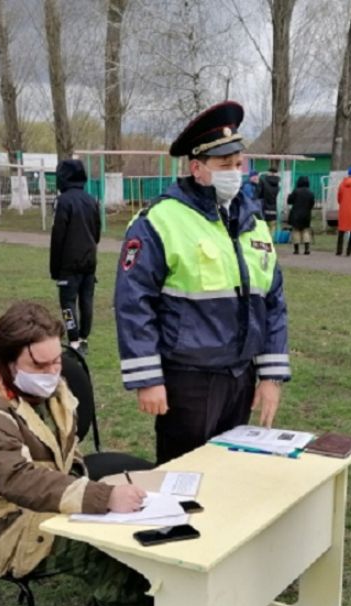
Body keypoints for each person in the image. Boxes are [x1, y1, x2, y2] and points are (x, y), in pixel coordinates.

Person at [0, 301, 251, 606]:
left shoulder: (35, 387)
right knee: (101, 552)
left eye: (56, 362)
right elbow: (18, 479)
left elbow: (63, 450)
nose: (53, 372)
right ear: (6, 359)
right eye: (40, 365)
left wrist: (95, 488)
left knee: (140, 529)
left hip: (37, 507)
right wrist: (100, 496)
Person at [114, 101, 291, 465]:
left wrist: (271, 376)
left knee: (228, 473)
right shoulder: (160, 220)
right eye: (224, 165)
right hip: (188, 381)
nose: (234, 172)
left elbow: (272, 300)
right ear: (197, 168)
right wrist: (147, 378)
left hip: (240, 376)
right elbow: (133, 302)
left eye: (238, 164)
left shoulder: (252, 220)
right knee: (183, 479)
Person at [49, 159, 101, 356]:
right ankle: (84, 336)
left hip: (69, 264)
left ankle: (74, 340)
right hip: (89, 261)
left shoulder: (63, 202)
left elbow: (58, 236)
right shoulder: (91, 200)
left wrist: (55, 268)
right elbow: (97, 231)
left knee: (68, 302)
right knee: (86, 300)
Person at [286, 175, 316, 255]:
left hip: (296, 214)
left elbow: (289, 201)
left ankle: (296, 250)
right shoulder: (310, 193)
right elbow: (312, 204)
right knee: (306, 231)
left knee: (296, 231)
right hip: (306, 214)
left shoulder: (295, 191)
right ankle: (306, 249)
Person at [259, 166, 281, 232]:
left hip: (264, 208)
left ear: (269, 173)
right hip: (274, 209)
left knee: (263, 228)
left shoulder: (263, 182)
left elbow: (259, 194)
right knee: (272, 227)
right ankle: (271, 241)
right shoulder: (278, 184)